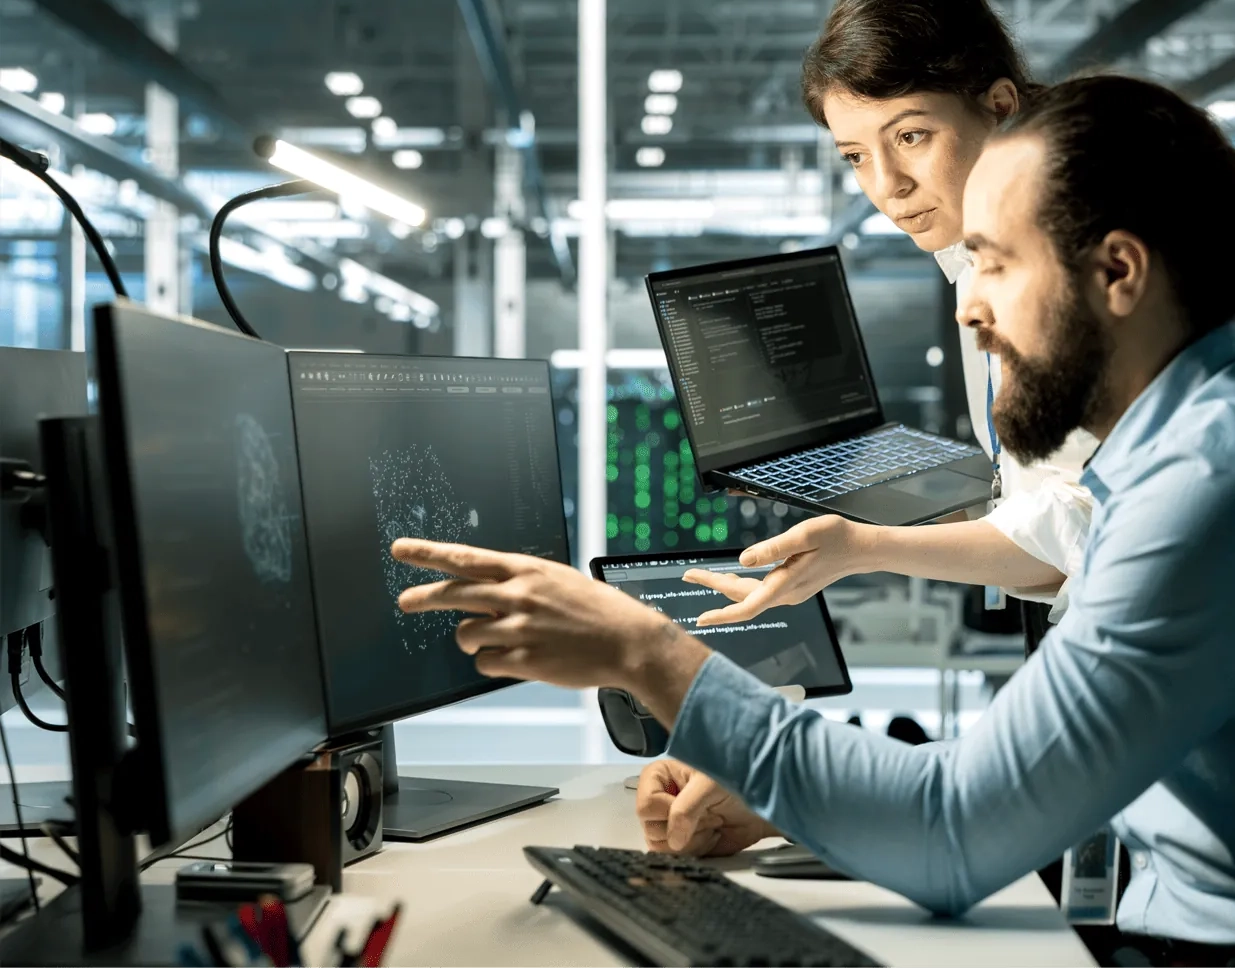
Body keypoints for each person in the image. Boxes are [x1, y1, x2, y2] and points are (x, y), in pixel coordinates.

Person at [391, 75, 1235, 964]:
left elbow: (952, 832)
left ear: (1116, 273)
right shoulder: (1172, 453)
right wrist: (788, 794)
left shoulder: (1195, 492)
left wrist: (643, 651)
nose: (966, 307)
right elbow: (1045, 769)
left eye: (993, 262)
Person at [700, 0, 1096, 659]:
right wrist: (901, 491)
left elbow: (1086, 530)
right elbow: (1044, 484)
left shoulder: (1073, 273)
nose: (887, 188)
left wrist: (868, 548)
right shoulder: (969, 255)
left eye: (910, 136)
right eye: (855, 155)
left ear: (998, 106)